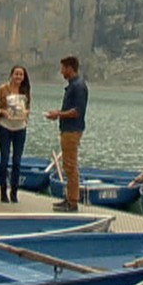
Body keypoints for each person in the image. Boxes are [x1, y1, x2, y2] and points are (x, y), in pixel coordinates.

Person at [44, 55, 88, 211]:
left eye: (63, 68)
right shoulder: (73, 85)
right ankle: (69, 198)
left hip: (72, 130)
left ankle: (73, 202)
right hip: (68, 129)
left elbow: (76, 111)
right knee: (68, 165)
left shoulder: (78, 86)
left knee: (70, 166)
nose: (61, 71)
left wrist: (58, 114)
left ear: (70, 68)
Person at [0, 65, 31, 203]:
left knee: (17, 161)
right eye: (16, 74)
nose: (18, 77)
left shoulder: (25, 90)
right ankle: (3, 191)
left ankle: (14, 192)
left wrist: (26, 113)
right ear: (11, 75)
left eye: (21, 75)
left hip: (20, 128)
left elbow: (28, 108)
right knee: (4, 160)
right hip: (5, 127)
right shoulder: (2, 89)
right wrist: (3, 112)